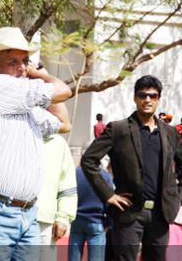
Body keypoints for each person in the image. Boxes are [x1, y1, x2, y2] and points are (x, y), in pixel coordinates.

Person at [0, 26, 72, 260]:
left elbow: (63, 123)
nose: (21, 67)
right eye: (13, 61)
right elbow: (63, 90)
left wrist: (36, 72)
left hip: (27, 212)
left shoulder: (23, 102)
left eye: (25, 61)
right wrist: (40, 73)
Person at [81, 75, 182, 261]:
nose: (147, 100)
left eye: (152, 96)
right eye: (142, 95)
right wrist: (108, 194)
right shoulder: (118, 129)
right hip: (128, 213)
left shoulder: (169, 133)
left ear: (159, 99)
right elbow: (88, 160)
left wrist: (177, 197)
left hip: (161, 213)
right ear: (135, 98)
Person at [37, 134, 77, 260]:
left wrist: (63, 218)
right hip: (10, 215)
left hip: (45, 221)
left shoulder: (59, 143)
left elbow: (67, 185)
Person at [68, 166, 113, 261]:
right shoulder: (105, 176)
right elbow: (110, 201)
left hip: (77, 218)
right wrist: (108, 223)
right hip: (97, 220)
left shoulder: (75, 173)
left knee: (73, 257)